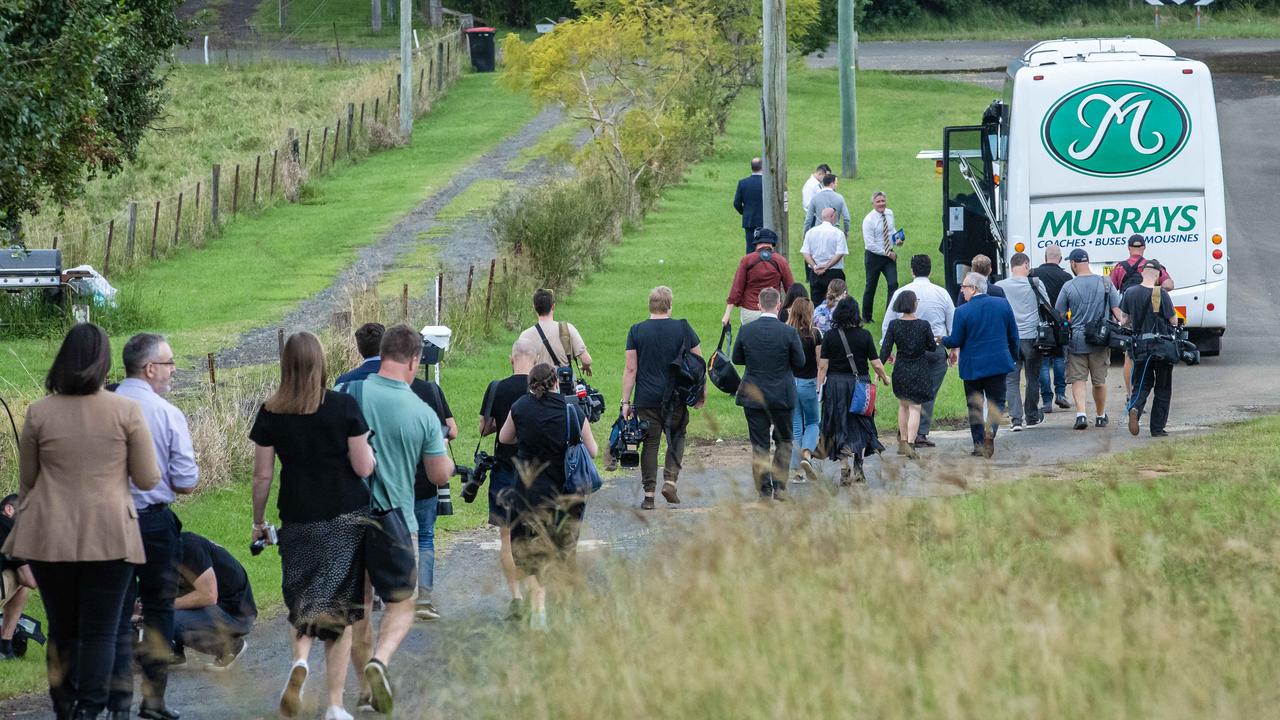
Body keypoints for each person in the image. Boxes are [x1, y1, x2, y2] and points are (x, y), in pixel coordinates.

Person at [3, 323, 162, 720]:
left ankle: (65, 707)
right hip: (110, 535)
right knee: (101, 630)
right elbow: (147, 478)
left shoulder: (40, 412)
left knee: (62, 628)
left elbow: (28, 480)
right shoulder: (124, 410)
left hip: (50, 537)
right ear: (105, 363)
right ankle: (90, 710)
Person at [249, 331, 376, 720]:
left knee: (304, 599)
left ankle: (299, 662)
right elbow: (363, 467)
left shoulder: (270, 412)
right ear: (321, 364)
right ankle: (335, 705)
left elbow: (262, 476)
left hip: (297, 517)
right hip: (344, 517)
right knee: (339, 612)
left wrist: (258, 522)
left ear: (286, 366)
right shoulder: (343, 406)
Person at [336, 325, 453, 715]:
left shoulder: (347, 393)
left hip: (348, 516)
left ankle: (365, 691)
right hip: (396, 519)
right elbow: (438, 475)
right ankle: (380, 661)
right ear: (415, 360)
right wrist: (447, 462)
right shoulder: (421, 411)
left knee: (360, 609)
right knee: (403, 604)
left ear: (380, 353)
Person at [111, 333, 200, 720]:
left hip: (108, 520)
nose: (173, 370)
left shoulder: (104, 406)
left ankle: (115, 702)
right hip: (152, 522)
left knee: (114, 611)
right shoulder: (166, 413)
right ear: (150, 369)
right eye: (169, 363)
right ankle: (154, 699)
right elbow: (186, 480)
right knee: (159, 610)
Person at [498, 364, 599, 630]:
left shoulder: (520, 407)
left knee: (528, 553)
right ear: (556, 382)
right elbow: (594, 450)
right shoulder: (572, 411)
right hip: (565, 493)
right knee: (564, 551)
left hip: (528, 493)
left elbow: (504, 438)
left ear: (530, 384)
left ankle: (539, 607)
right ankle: (564, 611)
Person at [621, 286, 704, 510]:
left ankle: (649, 495)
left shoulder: (636, 331)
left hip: (646, 398)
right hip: (675, 396)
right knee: (677, 437)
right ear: (669, 306)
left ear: (651, 305)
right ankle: (669, 480)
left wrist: (625, 402)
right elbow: (698, 363)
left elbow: (631, 369)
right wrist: (700, 392)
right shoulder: (683, 328)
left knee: (650, 444)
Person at [479, 338, 539, 621]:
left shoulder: (497, 388)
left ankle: (515, 596)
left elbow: (485, 428)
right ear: (535, 360)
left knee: (506, 536)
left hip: (504, 469)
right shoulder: (539, 387)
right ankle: (535, 591)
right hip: (533, 470)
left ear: (511, 359)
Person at [732, 287, 806, 500]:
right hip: (782, 393)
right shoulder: (789, 332)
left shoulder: (747, 331)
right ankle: (780, 486)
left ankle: (764, 490)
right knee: (784, 440)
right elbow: (800, 362)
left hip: (754, 394)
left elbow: (737, 358)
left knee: (760, 444)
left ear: (758, 305)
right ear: (779, 305)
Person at [942, 273, 1020, 459]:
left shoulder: (962, 311)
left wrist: (941, 339)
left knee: (975, 406)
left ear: (974, 289)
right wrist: (1012, 357)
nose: (962, 290)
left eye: (965, 287)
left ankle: (978, 445)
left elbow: (956, 340)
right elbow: (1013, 335)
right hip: (997, 363)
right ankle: (990, 431)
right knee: (997, 402)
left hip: (972, 367)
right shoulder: (1002, 304)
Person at [881, 254, 954, 448]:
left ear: (912, 271)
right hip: (935, 348)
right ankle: (919, 433)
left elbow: (887, 323)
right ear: (929, 270)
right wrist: (954, 348)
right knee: (927, 394)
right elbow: (952, 323)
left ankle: (906, 432)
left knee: (906, 398)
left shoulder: (901, 292)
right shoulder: (942, 293)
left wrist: (886, 350)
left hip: (906, 351)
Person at [817, 298, 890, 484]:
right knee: (861, 425)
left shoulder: (830, 336)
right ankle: (859, 466)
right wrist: (885, 378)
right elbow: (876, 364)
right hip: (860, 386)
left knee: (839, 425)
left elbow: (823, 367)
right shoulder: (864, 335)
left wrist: (818, 388)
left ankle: (844, 468)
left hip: (836, 387)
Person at [1056, 249, 1124, 431]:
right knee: (1099, 380)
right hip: (1100, 340)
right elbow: (1117, 312)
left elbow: (1060, 314)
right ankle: (1101, 416)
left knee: (1078, 379)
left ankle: (1081, 414)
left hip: (1077, 340)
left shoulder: (1068, 286)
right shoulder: (1106, 282)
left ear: (1073, 264)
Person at [171, 532, 256, 670]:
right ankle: (173, 651)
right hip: (218, 608)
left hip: (236, 614)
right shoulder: (165, 551)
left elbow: (209, 595)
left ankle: (229, 648)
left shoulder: (188, 546)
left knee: (164, 615)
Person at [1110, 234, 1175, 401]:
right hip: (1152, 316)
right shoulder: (1151, 266)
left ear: (1129, 248)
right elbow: (1169, 285)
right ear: (1144, 247)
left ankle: (1130, 393)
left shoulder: (1119, 268)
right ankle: (1150, 392)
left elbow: (1110, 289)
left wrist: (1118, 315)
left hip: (1130, 313)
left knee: (1129, 356)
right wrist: (1154, 289)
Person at [1121, 260, 1177, 437]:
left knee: (1142, 383)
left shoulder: (1130, 292)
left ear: (1142, 273)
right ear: (1158, 275)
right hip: (1161, 347)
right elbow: (1173, 320)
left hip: (1140, 346)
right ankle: (1157, 428)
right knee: (1163, 387)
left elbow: (1124, 320)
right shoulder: (1159, 293)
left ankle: (1135, 408)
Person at [879, 291, 937, 459]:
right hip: (919, 369)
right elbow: (932, 347)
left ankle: (903, 442)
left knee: (903, 405)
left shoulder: (894, 325)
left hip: (901, 369)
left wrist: (880, 369)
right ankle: (911, 443)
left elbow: (886, 349)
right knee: (915, 408)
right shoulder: (924, 325)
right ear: (914, 304)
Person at [996, 253, 1050, 431]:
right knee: (1032, 378)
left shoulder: (1000, 286)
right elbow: (1047, 305)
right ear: (1026, 265)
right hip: (1032, 337)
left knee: (1011, 380)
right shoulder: (1035, 283)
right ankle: (1032, 416)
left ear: (1012, 267)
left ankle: (1015, 419)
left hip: (1008, 339)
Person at [1029, 245, 1073, 414]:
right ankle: (1061, 394)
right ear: (1060, 259)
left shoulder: (1034, 275)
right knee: (1059, 358)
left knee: (1043, 362)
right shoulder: (1066, 276)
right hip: (1060, 323)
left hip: (1040, 324)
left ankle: (1047, 400)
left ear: (1045, 257)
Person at [722, 229, 795, 327]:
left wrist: (727, 314)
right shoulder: (781, 261)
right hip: (773, 312)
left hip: (750, 312)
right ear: (772, 245)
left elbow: (736, 289)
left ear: (756, 244)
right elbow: (791, 289)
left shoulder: (747, 260)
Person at [785, 295, 822, 482]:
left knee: (796, 427)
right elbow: (819, 361)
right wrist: (821, 382)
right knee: (814, 422)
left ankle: (797, 471)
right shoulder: (815, 334)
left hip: (791, 382)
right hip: (809, 382)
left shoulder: (787, 332)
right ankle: (807, 454)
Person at [517, 288, 593, 376]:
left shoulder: (525, 335)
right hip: (564, 386)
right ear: (553, 306)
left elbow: (520, 368)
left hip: (537, 387)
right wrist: (586, 367)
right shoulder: (567, 328)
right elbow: (587, 361)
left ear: (534, 307)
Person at [859, 191, 904, 323]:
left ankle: (889, 315)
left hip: (889, 257)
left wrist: (897, 240)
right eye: (878, 201)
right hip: (874, 257)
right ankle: (866, 317)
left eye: (883, 201)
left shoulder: (889, 213)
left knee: (893, 283)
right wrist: (888, 253)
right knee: (871, 286)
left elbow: (891, 230)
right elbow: (870, 244)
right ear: (873, 203)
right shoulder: (868, 220)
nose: (881, 204)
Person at [1, 494, 37, 662]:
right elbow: (30, 580)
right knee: (22, 578)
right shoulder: (9, 527)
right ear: (9, 509)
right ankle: (4, 647)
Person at [801, 207, 849, 303]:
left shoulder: (810, 232)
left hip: (815, 273)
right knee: (837, 303)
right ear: (833, 216)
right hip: (834, 273)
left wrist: (815, 266)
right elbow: (839, 253)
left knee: (816, 304)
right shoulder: (838, 233)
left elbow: (805, 252)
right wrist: (826, 267)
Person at [732, 157, 764, 253]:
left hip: (749, 221)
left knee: (750, 248)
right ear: (763, 167)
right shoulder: (767, 183)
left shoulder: (743, 183)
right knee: (765, 247)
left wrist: (745, 212)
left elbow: (736, 203)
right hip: (765, 220)